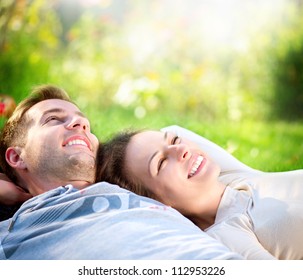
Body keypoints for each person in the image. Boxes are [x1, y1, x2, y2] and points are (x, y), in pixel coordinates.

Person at [0, 84, 242, 260]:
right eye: (52, 119)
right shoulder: (18, 228)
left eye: (83, 121)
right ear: (17, 157)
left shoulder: (136, 185)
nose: (81, 124)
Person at [96, 129, 303, 260]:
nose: (181, 150)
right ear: (155, 203)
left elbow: (173, 129)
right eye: (161, 162)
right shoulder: (227, 235)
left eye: (175, 141)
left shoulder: (233, 178)